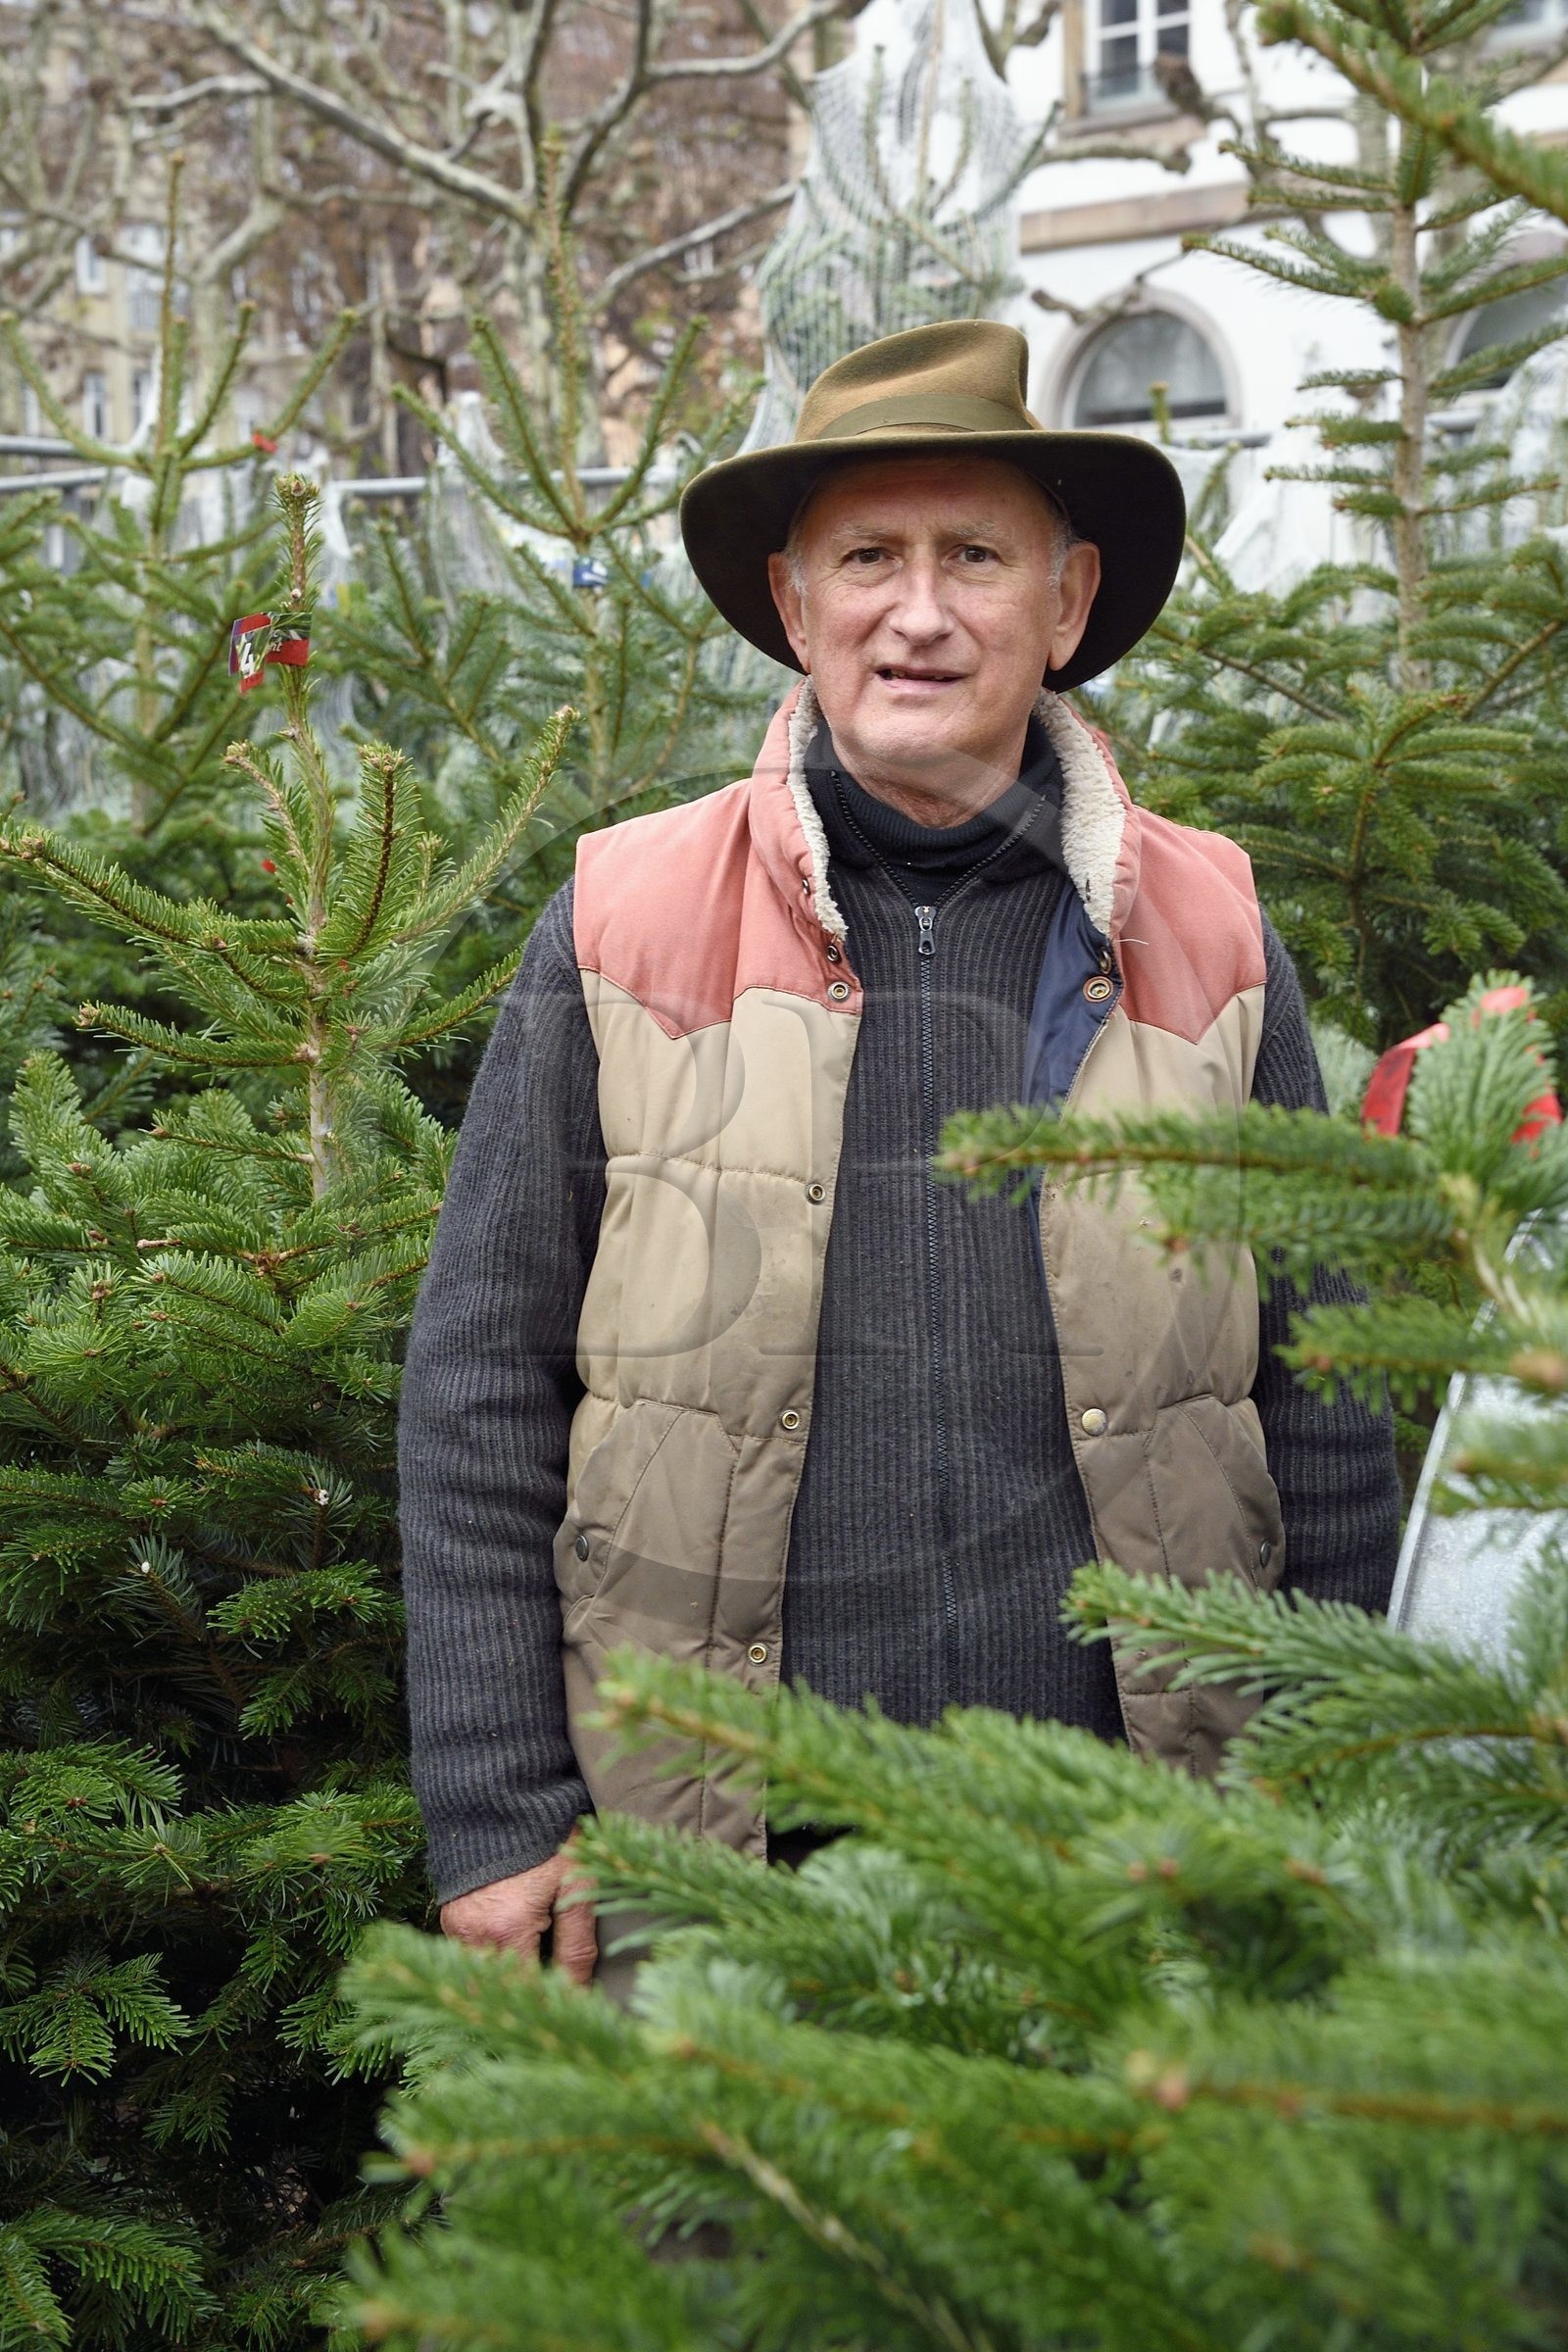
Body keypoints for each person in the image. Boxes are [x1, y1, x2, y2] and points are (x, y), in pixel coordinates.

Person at [399, 319, 1401, 1986]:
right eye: (868, 556)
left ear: (1067, 604)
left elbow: (1327, 1394)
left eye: (976, 558)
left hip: (1144, 1851)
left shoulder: (1211, 929)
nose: (919, 612)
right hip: (723, 1861)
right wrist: (499, 1815)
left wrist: (1342, 1783)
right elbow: (482, 1383)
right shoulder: (620, 922)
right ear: (795, 606)